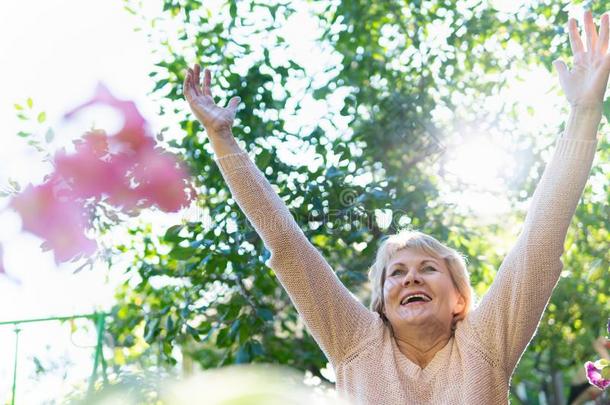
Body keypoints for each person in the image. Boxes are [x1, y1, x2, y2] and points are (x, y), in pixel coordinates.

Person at [183, 9, 609, 404]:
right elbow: (287, 244)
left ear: (460, 300)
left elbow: (540, 240)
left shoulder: (486, 342)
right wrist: (222, 139)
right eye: (397, 273)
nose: (410, 279)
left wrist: (585, 110)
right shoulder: (354, 341)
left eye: (427, 268)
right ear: (381, 305)